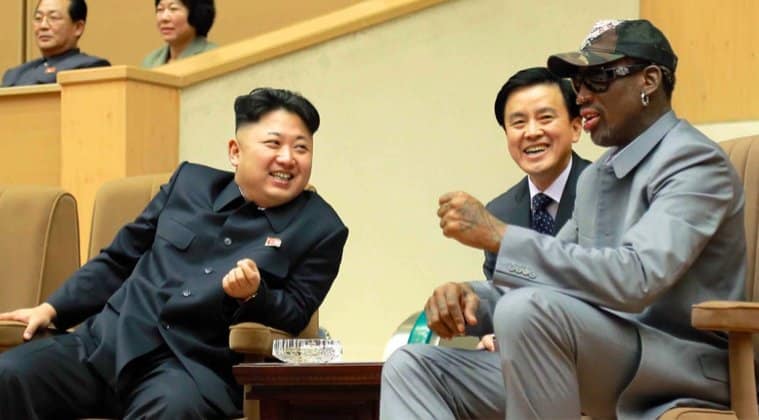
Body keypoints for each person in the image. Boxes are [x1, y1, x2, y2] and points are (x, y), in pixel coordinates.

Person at [382, 19, 745, 419]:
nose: (582, 95)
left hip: (679, 366)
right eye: (579, 83)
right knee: (411, 367)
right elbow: (555, 272)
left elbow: (637, 278)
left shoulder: (694, 162)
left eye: (598, 79)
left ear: (649, 80)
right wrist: (473, 301)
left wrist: (500, 236)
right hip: (596, 354)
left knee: (527, 311)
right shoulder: (597, 176)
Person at [0, 87, 349, 419]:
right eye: (273, 143)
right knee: (10, 374)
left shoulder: (321, 228)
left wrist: (255, 295)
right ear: (235, 151)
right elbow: (119, 259)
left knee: (170, 412)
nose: (287, 158)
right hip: (107, 342)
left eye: (301, 148)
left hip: (187, 367)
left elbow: (296, 312)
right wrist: (52, 308)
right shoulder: (189, 183)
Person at [381, 66, 590, 415]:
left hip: (588, 365)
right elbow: (501, 293)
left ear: (576, 127)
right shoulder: (501, 209)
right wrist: (467, 299)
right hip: (520, 368)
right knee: (407, 364)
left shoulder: (602, 192)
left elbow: (604, 280)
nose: (532, 132)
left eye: (545, 118)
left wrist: (514, 329)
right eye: (518, 122)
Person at [2, 0, 109, 87]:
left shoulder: (91, 67)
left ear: (78, 28)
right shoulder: (15, 74)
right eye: (38, 18)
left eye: (53, 18)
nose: (43, 26)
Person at [142, 0, 217, 68]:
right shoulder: (150, 61)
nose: (164, 18)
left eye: (173, 9)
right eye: (160, 9)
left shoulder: (214, 58)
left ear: (196, 13)